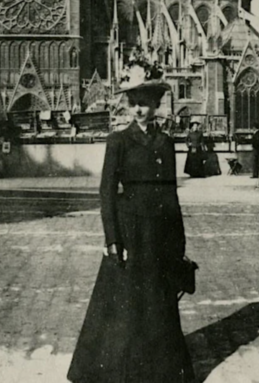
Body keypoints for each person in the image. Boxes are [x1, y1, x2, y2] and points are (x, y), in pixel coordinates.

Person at [67, 58, 195, 383]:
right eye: (134, 104)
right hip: (130, 231)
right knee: (124, 307)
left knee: (158, 304)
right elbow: (106, 192)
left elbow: (171, 194)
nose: (139, 110)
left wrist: (178, 243)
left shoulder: (166, 143)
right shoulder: (118, 141)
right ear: (128, 106)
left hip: (159, 233)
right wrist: (113, 240)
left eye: (146, 104)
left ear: (156, 106)